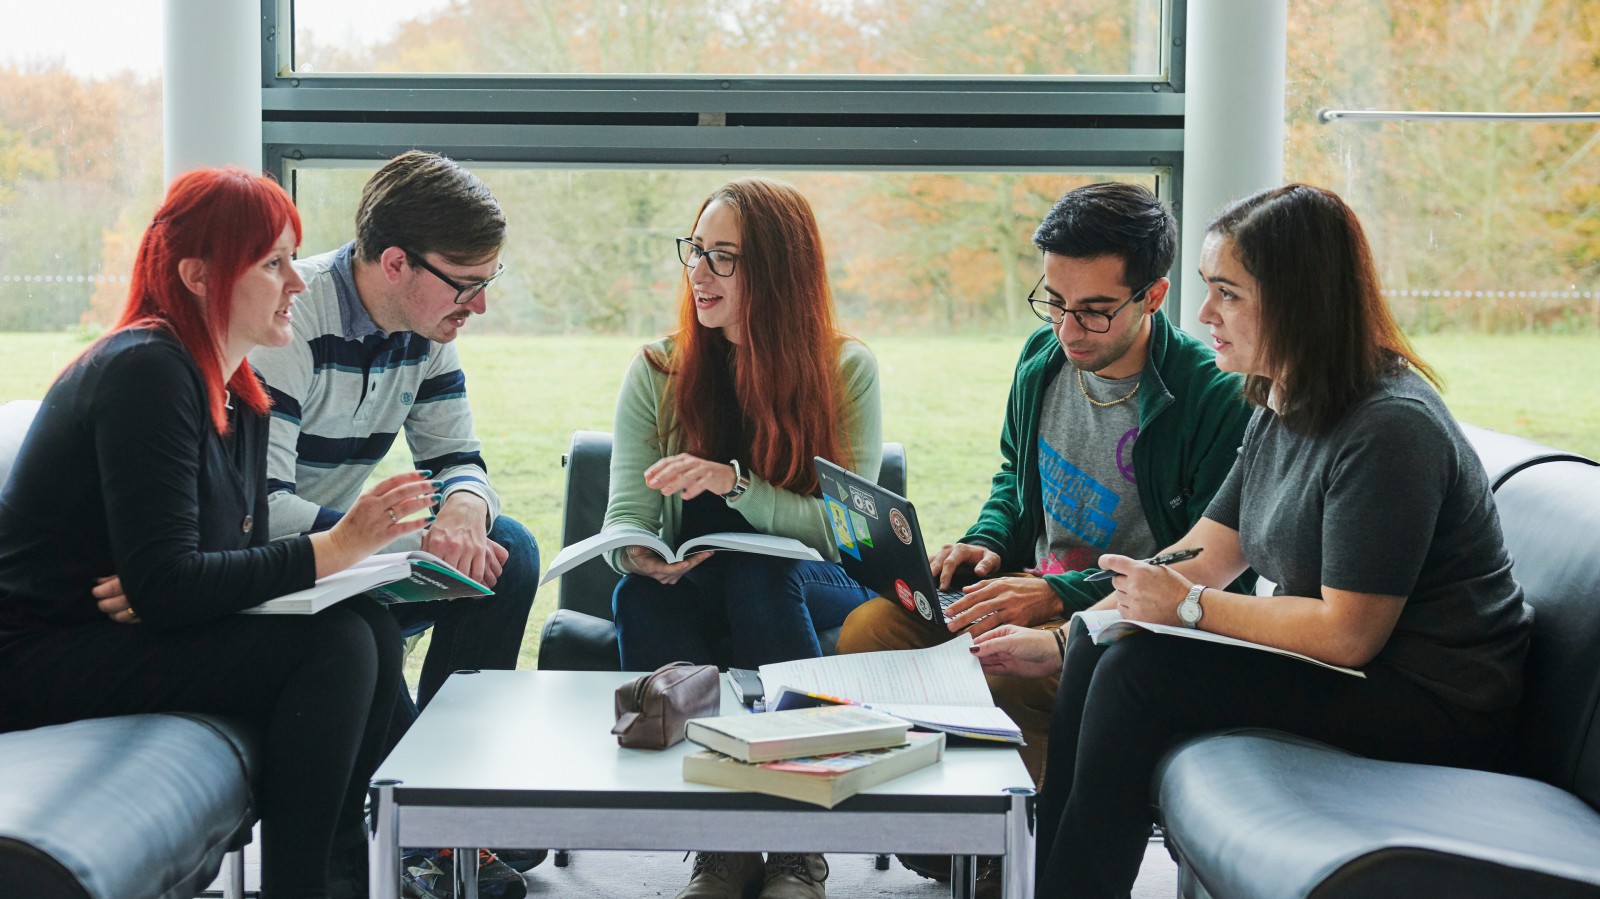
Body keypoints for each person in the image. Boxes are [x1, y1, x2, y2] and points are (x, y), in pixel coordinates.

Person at [973, 183, 1533, 898]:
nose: (1204, 314)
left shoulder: (1389, 427)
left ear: (1299, 299)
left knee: (1140, 674)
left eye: (1228, 294)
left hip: (1435, 701)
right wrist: (1084, 619)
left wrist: (1187, 609)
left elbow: (1348, 631)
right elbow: (1205, 552)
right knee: (1098, 644)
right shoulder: (1279, 396)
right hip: (1363, 674)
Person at [0, 167, 435, 899]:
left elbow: (203, 569)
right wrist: (338, 545)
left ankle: (335, 872)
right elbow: (173, 580)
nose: (298, 282)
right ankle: (303, 884)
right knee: (334, 645)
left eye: (293, 259)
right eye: (272, 262)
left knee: (367, 623)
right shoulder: (147, 369)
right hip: (35, 654)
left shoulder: (239, 394)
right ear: (199, 274)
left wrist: (175, 587)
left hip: (108, 632)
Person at [836, 182, 1253, 798]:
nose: (1068, 327)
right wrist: (985, 541)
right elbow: (1015, 476)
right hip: (1036, 589)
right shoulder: (1043, 358)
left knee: (1006, 678)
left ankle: (1017, 852)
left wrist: (1054, 595)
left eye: (1094, 308)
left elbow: (1205, 569)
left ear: (1154, 296)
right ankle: (941, 834)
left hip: (1132, 626)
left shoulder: (1214, 397)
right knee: (870, 632)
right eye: (1055, 302)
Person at [250, 151, 540, 898]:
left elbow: (459, 459)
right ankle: (436, 816)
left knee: (509, 554)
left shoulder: (428, 325)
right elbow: (260, 509)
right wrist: (406, 540)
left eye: (487, 282)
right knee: (379, 608)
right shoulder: (289, 320)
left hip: (356, 556)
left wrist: (467, 511)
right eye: (466, 283)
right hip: (284, 567)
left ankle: (450, 806)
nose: (477, 305)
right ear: (395, 262)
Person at [604, 177, 881, 899]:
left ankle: (798, 844)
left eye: (723, 256)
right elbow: (625, 516)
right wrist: (635, 550)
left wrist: (735, 486)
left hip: (814, 578)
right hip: (696, 580)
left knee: (760, 576)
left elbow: (850, 537)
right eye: (695, 249)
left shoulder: (846, 369)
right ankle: (720, 843)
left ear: (779, 271)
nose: (699, 271)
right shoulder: (658, 370)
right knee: (637, 593)